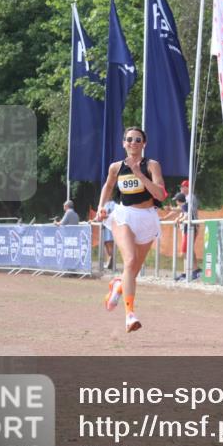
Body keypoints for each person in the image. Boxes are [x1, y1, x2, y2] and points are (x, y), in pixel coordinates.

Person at [95, 126, 165, 333]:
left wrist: (140, 175)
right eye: (129, 139)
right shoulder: (115, 167)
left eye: (137, 140)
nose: (133, 143)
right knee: (131, 261)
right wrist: (101, 206)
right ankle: (130, 315)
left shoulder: (152, 165)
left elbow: (160, 195)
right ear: (123, 143)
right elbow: (108, 186)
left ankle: (118, 285)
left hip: (147, 218)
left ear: (144, 144)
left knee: (132, 271)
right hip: (123, 215)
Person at [176, 179, 200, 280]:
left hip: (191, 225)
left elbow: (188, 212)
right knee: (189, 249)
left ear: (187, 187)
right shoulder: (187, 197)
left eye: (183, 186)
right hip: (189, 225)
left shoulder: (189, 197)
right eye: (181, 186)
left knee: (186, 250)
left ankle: (191, 271)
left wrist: (181, 218)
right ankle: (193, 271)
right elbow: (183, 210)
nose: (181, 188)